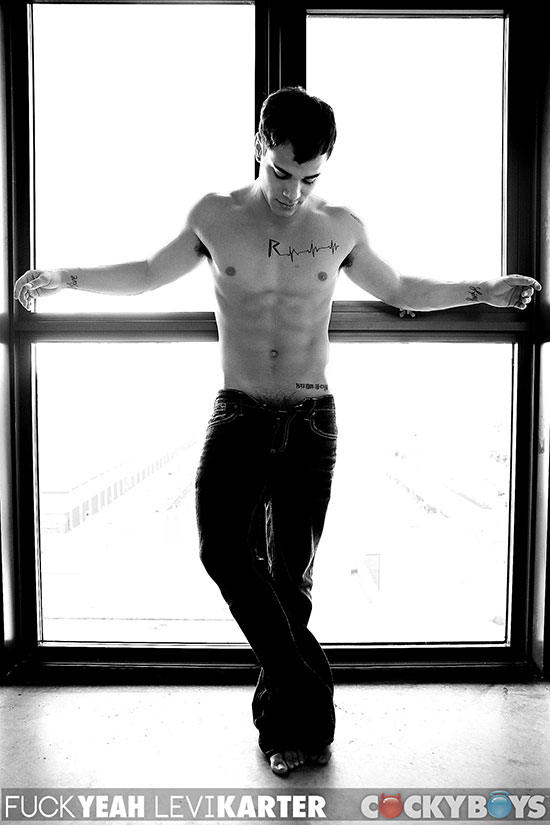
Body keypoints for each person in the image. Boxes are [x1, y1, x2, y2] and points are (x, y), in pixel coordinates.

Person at [14, 86, 541, 777]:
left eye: (311, 177)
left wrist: (484, 289)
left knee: (290, 581)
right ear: (260, 146)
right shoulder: (214, 216)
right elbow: (145, 275)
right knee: (221, 550)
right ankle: (309, 694)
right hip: (239, 413)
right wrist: (64, 276)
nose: (294, 192)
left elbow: (401, 290)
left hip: (312, 421)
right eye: (283, 173)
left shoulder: (341, 226)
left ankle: (289, 731)